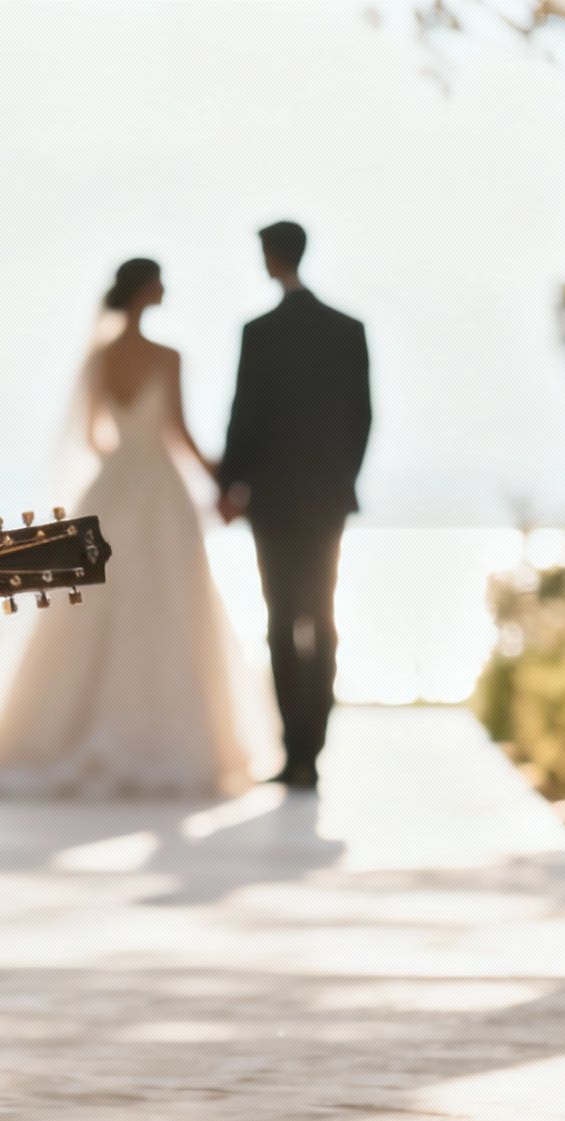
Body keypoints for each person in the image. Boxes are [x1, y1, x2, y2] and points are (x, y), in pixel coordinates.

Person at [0, 257, 256, 799]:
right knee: (168, 604)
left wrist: (126, 460)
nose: (166, 288)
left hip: (111, 486)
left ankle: (63, 726)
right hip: (158, 492)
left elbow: (96, 437)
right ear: (145, 289)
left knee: (92, 604)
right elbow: (178, 432)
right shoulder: (168, 357)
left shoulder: (99, 357)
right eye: (161, 281)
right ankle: (157, 736)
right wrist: (222, 480)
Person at [217, 221, 371, 791]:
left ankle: (296, 752)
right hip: (327, 497)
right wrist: (342, 480)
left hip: (275, 501)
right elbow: (363, 417)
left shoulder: (259, 332)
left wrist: (231, 485)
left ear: (271, 256)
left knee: (283, 621)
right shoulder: (347, 330)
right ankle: (313, 749)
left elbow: (244, 414)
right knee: (321, 620)